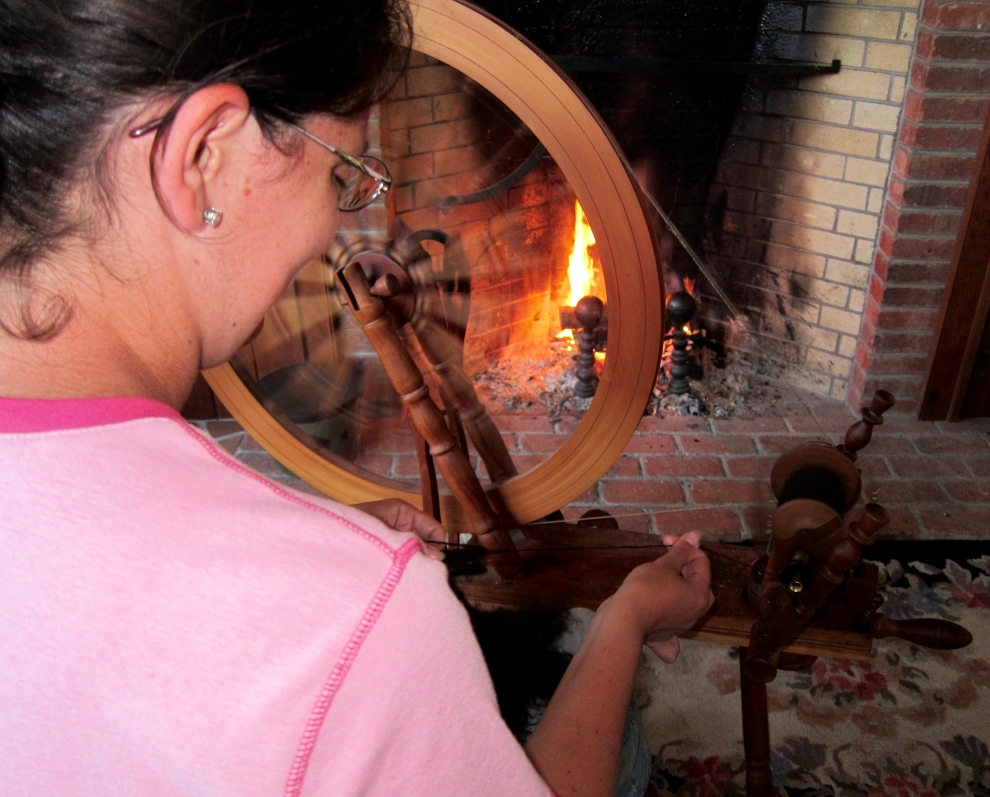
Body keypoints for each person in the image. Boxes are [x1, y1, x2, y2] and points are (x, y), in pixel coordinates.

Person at [0, 0, 714, 794]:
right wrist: (625, 622)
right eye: (342, 172)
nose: (329, 225)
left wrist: (312, 549)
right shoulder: (354, 624)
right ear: (207, 155)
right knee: (624, 747)